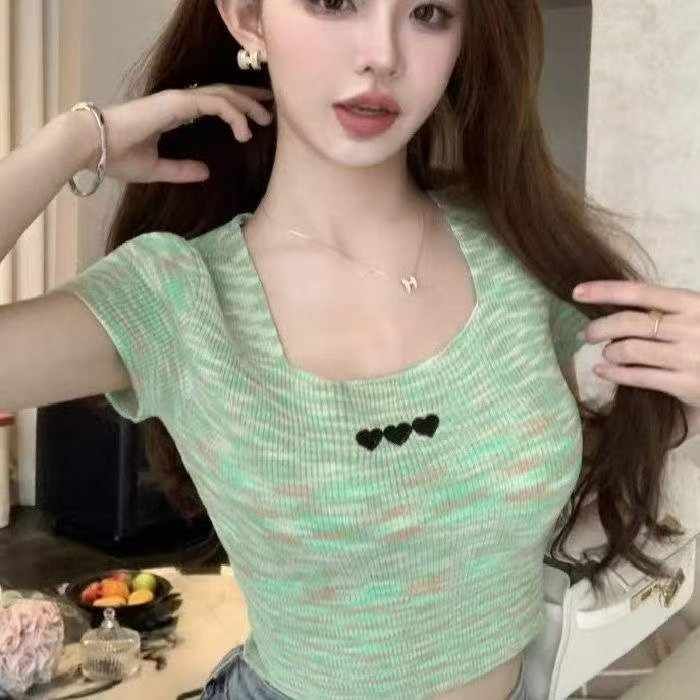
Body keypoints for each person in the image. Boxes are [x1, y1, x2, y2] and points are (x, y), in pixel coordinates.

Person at [0, 1, 692, 699]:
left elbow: (648, 424)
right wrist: (73, 140)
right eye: (334, 2)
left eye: (428, 12)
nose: (382, 55)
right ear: (247, 17)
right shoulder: (177, 298)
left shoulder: (517, 249)